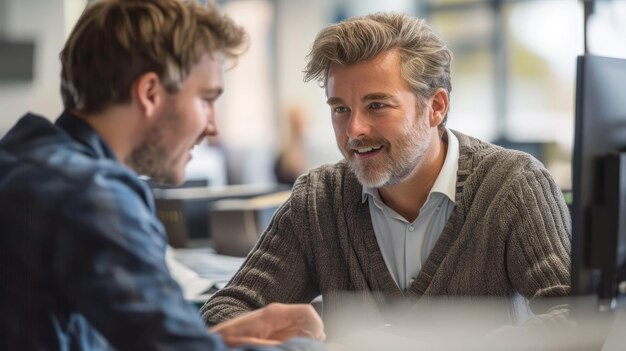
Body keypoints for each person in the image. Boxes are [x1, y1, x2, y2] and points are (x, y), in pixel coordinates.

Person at [201, 12, 571, 338]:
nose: (354, 129)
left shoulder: (513, 185)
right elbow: (223, 314)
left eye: (377, 105)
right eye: (340, 109)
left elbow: (573, 317)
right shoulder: (319, 200)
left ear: (436, 107)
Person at [0, 0, 325, 350]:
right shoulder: (92, 196)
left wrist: (213, 341)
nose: (212, 126)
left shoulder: (23, 160)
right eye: (206, 98)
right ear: (150, 93)